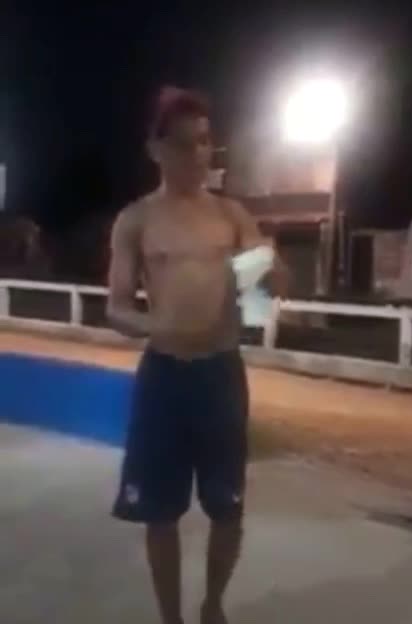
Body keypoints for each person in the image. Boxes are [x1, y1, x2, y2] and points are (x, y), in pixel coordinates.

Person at [107, 86, 288, 624]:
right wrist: (155, 326)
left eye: (206, 142)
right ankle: (172, 618)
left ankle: (213, 606)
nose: (198, 155)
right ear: (156, 150)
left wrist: (272, 277)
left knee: (227, 507)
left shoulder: (231, 216)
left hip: (220, 375)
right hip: (163, 376)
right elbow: (117, 308)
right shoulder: (137, 220)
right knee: (158, 513)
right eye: (185, 144)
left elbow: (260, 297)